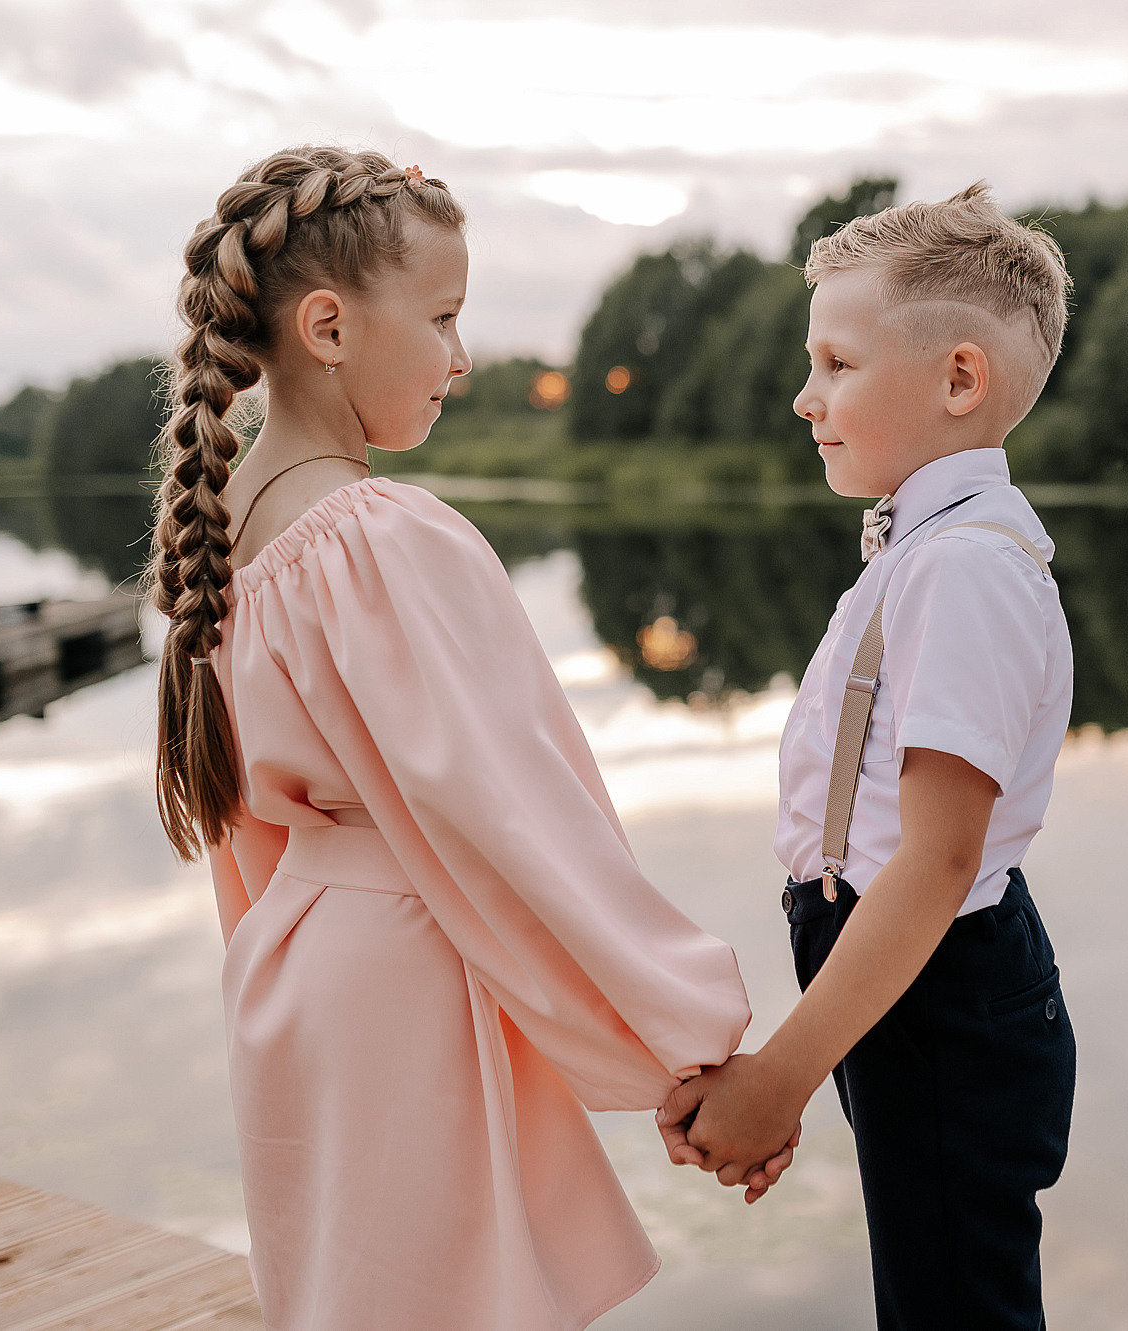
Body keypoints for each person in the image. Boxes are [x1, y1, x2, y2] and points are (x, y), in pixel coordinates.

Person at [144, 145, 793, 1331]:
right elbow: (520, 820)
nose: (460, 355)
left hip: (294, 974)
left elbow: (248, 838)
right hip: (406, 975)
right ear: (329, 326)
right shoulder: (383, 539)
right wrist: (691, 1046)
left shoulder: (221, 538)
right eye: (442, 317)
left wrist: (262, 963)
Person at [657, 183, 1080, 1329]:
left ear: (957, 379)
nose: (804, 399)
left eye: (835, 364)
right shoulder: (925, 548)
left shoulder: (963, 568)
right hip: (897, 975)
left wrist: (777, 1074)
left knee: (954, 1304)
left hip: (935, 976)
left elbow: (936, 863)